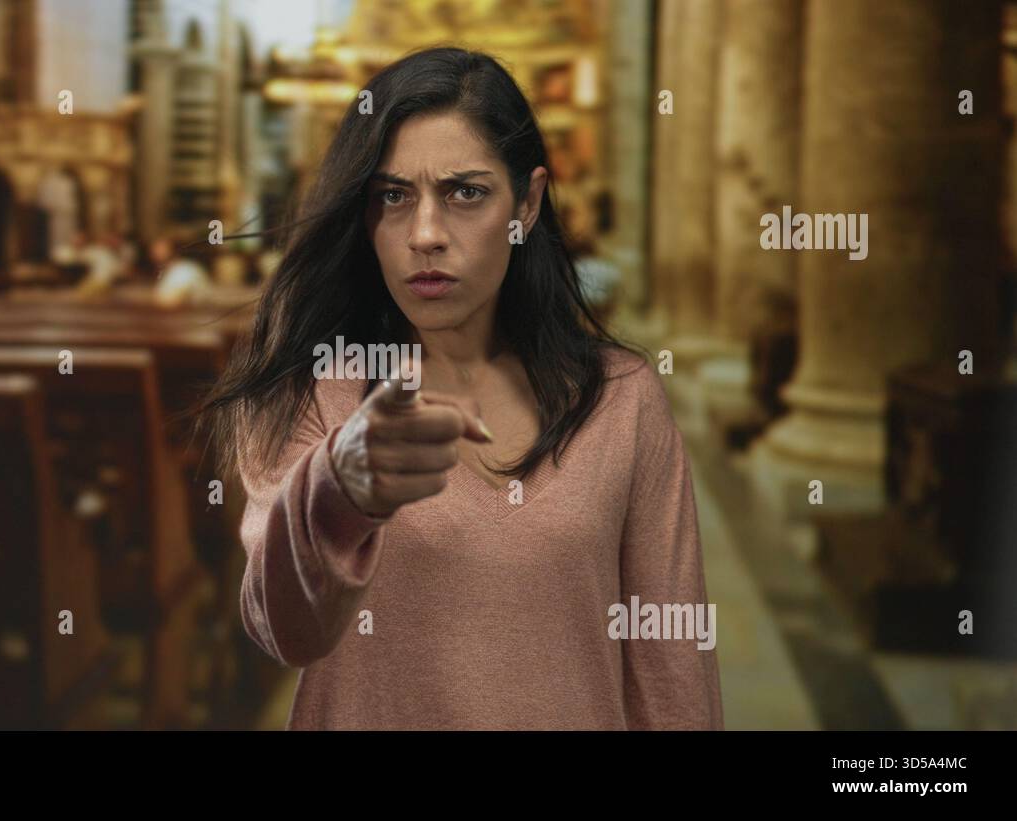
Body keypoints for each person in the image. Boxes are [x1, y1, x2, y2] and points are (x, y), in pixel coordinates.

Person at [199, 47, 723, 730]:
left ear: (527, 204)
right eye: (393, 196)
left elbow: (672, 664)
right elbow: (286, 630)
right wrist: (341, 488)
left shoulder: (621, 400)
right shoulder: (312, 389)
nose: (425, 235)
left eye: (464, 193)